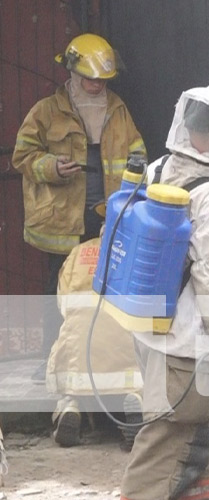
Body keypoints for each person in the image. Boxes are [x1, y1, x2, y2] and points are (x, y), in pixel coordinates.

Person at [120, 74, 209, 500]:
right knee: (169, 439)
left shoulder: (160, 168)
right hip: (187, 340)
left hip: (150, 325)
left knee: (201, 436)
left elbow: (172, 237)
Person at [12, 33, 146, 381]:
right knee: (57, 291)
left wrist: (134, 184)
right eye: (89, 79)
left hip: (107, 215)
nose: (96, 85)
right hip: (63, 220)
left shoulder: (117, 109)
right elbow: (22, 156)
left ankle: (106, 361)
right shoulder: (46, 111)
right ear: (71, 72)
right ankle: (52, 362)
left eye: (102, 79)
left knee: (110, 288)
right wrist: (51, 167)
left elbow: (137, 152)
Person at [47, 210, 144, 450]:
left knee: (64, 357)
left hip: (81, 352)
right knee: (144, 368)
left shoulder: (77, 253)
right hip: (124, 353)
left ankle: (69, 408)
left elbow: (63, 303)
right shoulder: (136, 251)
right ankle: (136, 402)